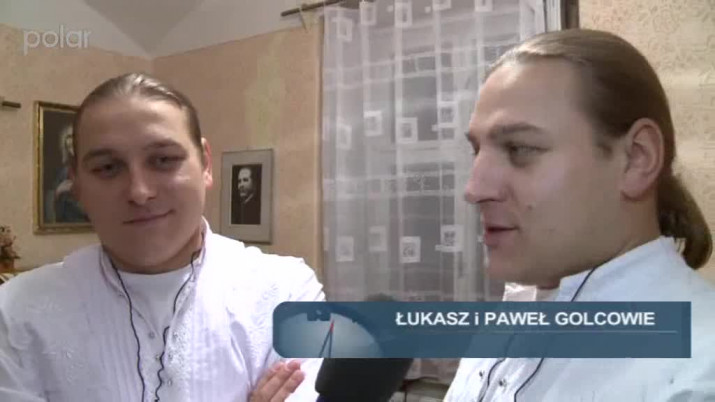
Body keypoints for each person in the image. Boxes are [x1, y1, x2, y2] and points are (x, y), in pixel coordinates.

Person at [0, 73, 324, 402]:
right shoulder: (14, 311)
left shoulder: (292, 293)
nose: (139, 192)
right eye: (108, 168)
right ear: (77, 184)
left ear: (205, 164)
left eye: (163, 160)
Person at [445, 29, 715, 401]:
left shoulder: (698, 374)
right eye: (478, 150)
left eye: (520, 148)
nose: (474, 189)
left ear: (637, 159)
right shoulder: (509, 321)